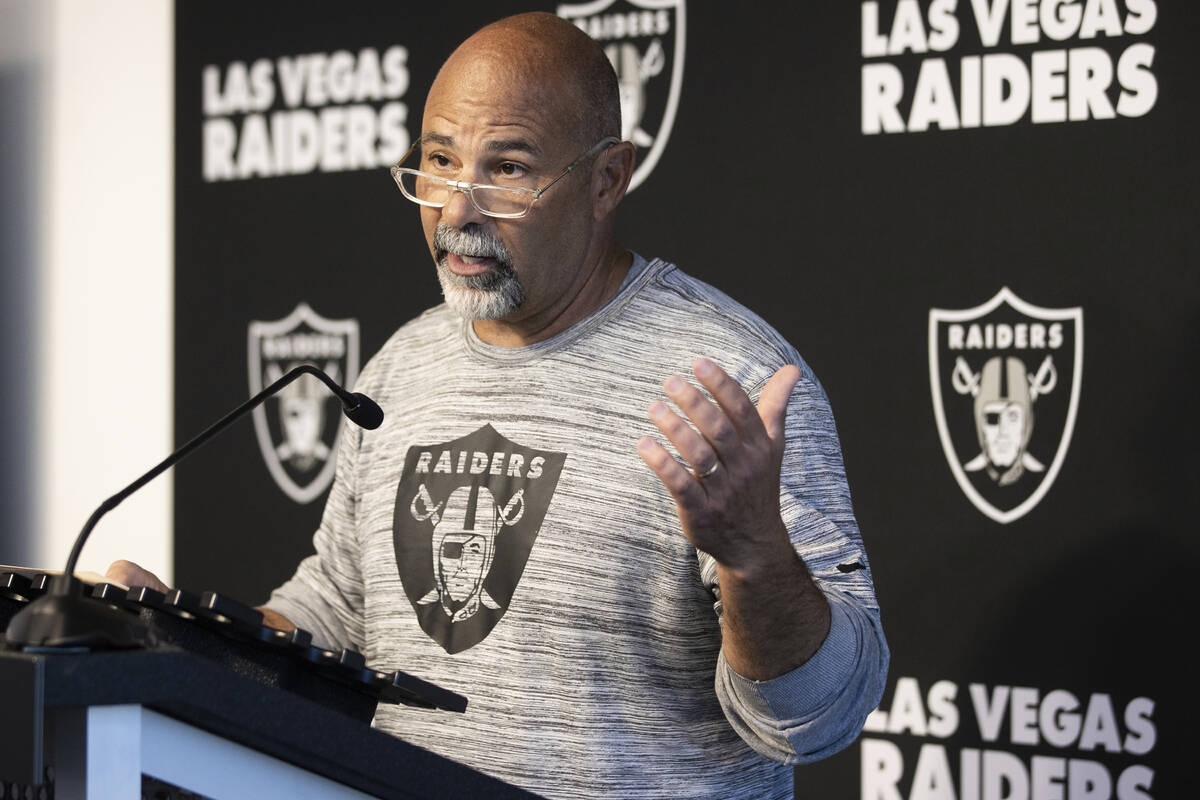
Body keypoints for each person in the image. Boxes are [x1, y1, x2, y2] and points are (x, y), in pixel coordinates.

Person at [109, 11, 888, 799]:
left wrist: (755, 558)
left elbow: (821, 720)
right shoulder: (403, 362)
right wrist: (184, 642)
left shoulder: (735, 382)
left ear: (608, 179)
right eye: (439, 161)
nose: (455, 210)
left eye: (507, 169)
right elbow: (340, 612)